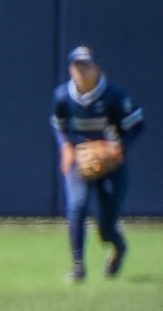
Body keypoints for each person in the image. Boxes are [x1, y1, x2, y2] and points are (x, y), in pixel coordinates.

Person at [52, 45, 144, 282]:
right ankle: (78, 266)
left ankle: (119, 247)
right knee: (77, 206)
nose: (81, 70)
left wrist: (119, 146)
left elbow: (137, 123)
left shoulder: (113, 96)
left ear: (96, 68)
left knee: (105, 227)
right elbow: (58, 124)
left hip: (111, 164)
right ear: (71, 69)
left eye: (86, 65)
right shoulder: (63, 96)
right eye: (77, 66)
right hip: (80, 159)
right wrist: (65, 146)